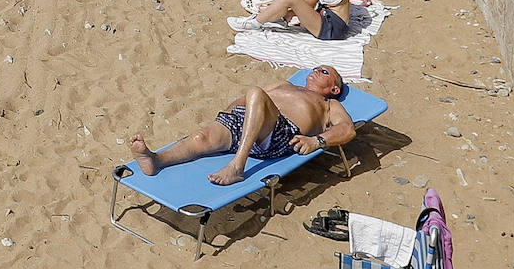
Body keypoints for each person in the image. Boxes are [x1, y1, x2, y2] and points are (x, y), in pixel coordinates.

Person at [128, 66, 355, 186]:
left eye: (324, 72)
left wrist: (317, 141)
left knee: (256, 92)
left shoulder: (328, 105)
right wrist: (227, 119)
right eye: (316, 68)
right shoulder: (285, 84)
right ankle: (155, 160)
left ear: (334, 89)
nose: (316, 71)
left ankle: (237, 165)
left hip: (280, 133)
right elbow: (242, 102)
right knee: (201, 137)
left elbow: (347, 129)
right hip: (246, 120)